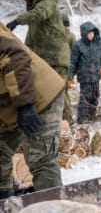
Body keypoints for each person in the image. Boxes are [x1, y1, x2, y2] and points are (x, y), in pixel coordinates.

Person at [0, 22, 65, 199]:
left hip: (38, 98)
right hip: (8, 108)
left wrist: (25, 105)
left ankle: (54, 209)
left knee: (40, 160)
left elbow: (15, 57)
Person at [6, 0, 70, 119]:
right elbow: (32, 37)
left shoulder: (47, 4)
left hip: (56, 57)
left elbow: (39, 13)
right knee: (46, 92)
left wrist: (17, 21)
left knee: (58, 92)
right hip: (44, 58)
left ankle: (68, 126)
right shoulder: (34, 10)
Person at [67, 21, 101, 124]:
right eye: (89, 33)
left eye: (92, 33)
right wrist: (70, 77)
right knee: (85, 96)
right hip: (85, 76)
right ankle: (82, 117)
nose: (91, 35)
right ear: (84, 34)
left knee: (95, 95)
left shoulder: (99, 42)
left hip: (96, 75)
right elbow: (72, 62)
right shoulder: (78, 45)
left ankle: (91, 115)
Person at [61, 13, 77, 124]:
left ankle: (68, 121)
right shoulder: (70, 36)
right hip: (62, 70)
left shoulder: (70, 37)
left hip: (65, 70)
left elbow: (75, 56)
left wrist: (71, 74)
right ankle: (66, 120)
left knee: (63, 95)